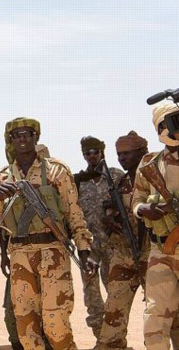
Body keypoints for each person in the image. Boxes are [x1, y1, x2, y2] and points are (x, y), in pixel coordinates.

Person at [0, 118, 93, 350]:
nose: (23, 138)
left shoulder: (56, 171)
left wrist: (84, 248)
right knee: (26, 326)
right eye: (17, 135)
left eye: (28, 133)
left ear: (36, 137)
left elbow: (74, 212)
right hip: (20, 254)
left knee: (56, 325)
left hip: (53, 251)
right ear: (10, 140)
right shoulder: (2, 178)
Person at [0, 144, 54, 350]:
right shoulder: (7, 181)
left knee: (50, 311)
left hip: (48, 252)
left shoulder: (52, 181)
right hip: (18, 253)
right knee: (14, 309)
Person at [96, 131, 151, 349]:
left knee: (163, 312)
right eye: (119, 154)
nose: (121, 158)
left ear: (141, 152)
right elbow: (107, 209)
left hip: (151, 252)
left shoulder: (153, 177)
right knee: (114, 311)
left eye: (127, 154)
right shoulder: (119, 182)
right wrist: (109, 220)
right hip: (123, 254)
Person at [132, 101, 179, 350]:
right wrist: (144, 210)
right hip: (161, 251)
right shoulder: (150, 164)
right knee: (155, 322)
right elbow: (137, 199)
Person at [74, 136, 124, 339]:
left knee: (116, 291)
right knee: (91, 291)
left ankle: (117, 337)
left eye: (95, 151)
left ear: (102, 152)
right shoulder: (78, 181)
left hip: (113, 244)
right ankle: (99, 336)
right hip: (89, 248)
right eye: (87, 153)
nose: (92, 156)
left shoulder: (115, 176)